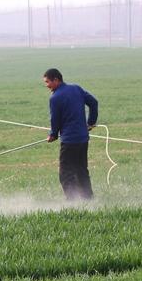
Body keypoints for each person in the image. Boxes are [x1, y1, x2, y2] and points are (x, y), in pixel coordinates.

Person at [43, 68, 98, 200]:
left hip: (69, 141)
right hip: (83, 139)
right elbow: (94, 103)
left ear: (56, 80)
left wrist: (53, 134)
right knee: (81, 170)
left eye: (48, 82)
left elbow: (55, 120)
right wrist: (90, 123)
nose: (47, 85)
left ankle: (72, 201)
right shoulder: (76, 88)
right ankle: (88, 198)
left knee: (65, 173)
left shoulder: (55, 98)